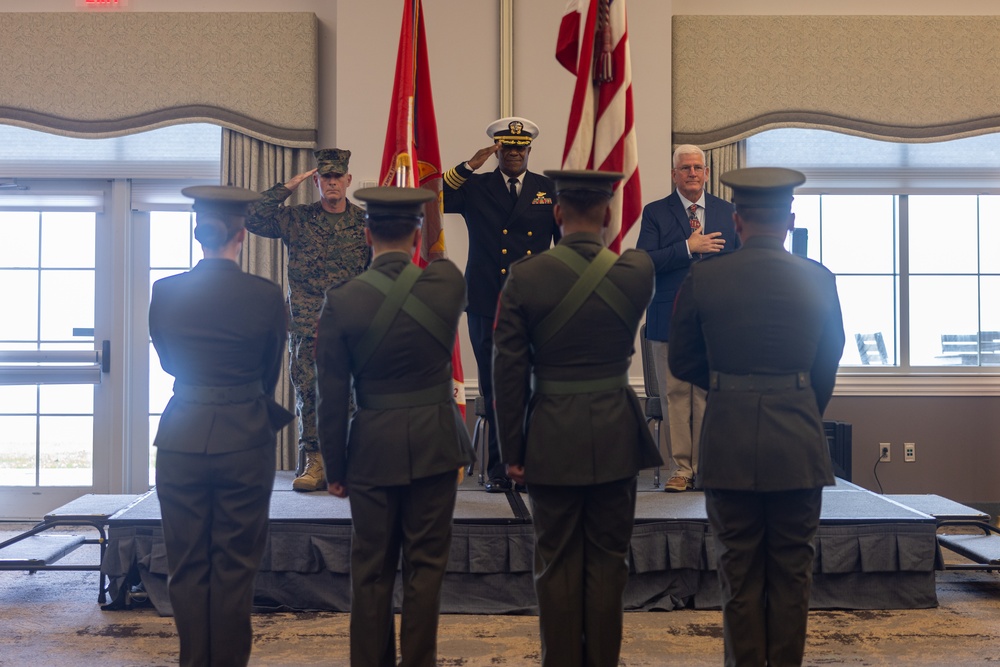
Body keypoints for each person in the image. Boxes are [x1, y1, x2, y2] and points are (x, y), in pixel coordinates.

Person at [668, 167, 845, 667]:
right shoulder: (820, 279)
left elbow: (682, 361)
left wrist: (730, 391)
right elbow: (828, 361)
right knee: (793, 576)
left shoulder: (703, 277)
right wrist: (799, 404)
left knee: (738, 574)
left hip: (729, 440)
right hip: (798, 444)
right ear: (790, 220)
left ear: (737, 220)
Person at [492, 170, 663, 667]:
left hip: (551, 436)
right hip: (615, 434)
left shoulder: (525, 276)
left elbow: (507, 372)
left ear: (556, 213)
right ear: (609, 215)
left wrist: (512, 451)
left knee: (556, 564)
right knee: (609, 564)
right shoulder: (636, 272)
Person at [315, 187, 475, 667]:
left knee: (370, 571)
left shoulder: (342, 300)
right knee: (426, 571)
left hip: (372, 449)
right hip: (435, 444)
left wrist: (335, 468)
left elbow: (331, 397)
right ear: (418, 236)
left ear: (366, 236)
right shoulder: (446, 284)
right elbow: (441, 264)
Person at [149, 185, 295, 667]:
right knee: (235, 568)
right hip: (244, 436)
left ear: (199, 233)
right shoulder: (266, 294)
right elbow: (270, 369)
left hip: (181, 436)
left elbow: (168, 362)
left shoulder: (165, 291)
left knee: (186, 565)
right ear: (242, 235)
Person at [443, 116, 560, 493]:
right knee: (495, 389)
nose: (514, 153)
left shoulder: (548, 189)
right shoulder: (476, 186)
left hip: (534, 304)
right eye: (507, 147)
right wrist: (468, 165)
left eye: (520, 148)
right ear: (497, 151)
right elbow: (435, 198)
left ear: (529, 150)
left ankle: (530, 466)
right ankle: (499, 470)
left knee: (532, 387)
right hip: (486, 301)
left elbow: (565, 245)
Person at [245, 148, 370, 492]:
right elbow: (252, 218)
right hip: (307, 326)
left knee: (352, 395)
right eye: (325, 177)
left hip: (351, 327)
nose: (332, 182)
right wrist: (286, 187)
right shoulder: (297, 218)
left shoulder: (365, 223)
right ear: (317, 182)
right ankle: (315, 462)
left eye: (337, 176)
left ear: (348, 180)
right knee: (309, 394)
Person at [636, 144, 739, 492]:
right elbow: (644, 261)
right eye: (685, 168)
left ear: (707, 173)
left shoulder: (728, 212)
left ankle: (707, 468)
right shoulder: (655, 212)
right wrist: (687, 248)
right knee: (676, 396)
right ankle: (682, 470)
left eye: (697, 167)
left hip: (716, 321)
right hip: (669, 318)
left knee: (708, 395)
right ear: (674, 174)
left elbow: (740, 263)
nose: (692, 173)